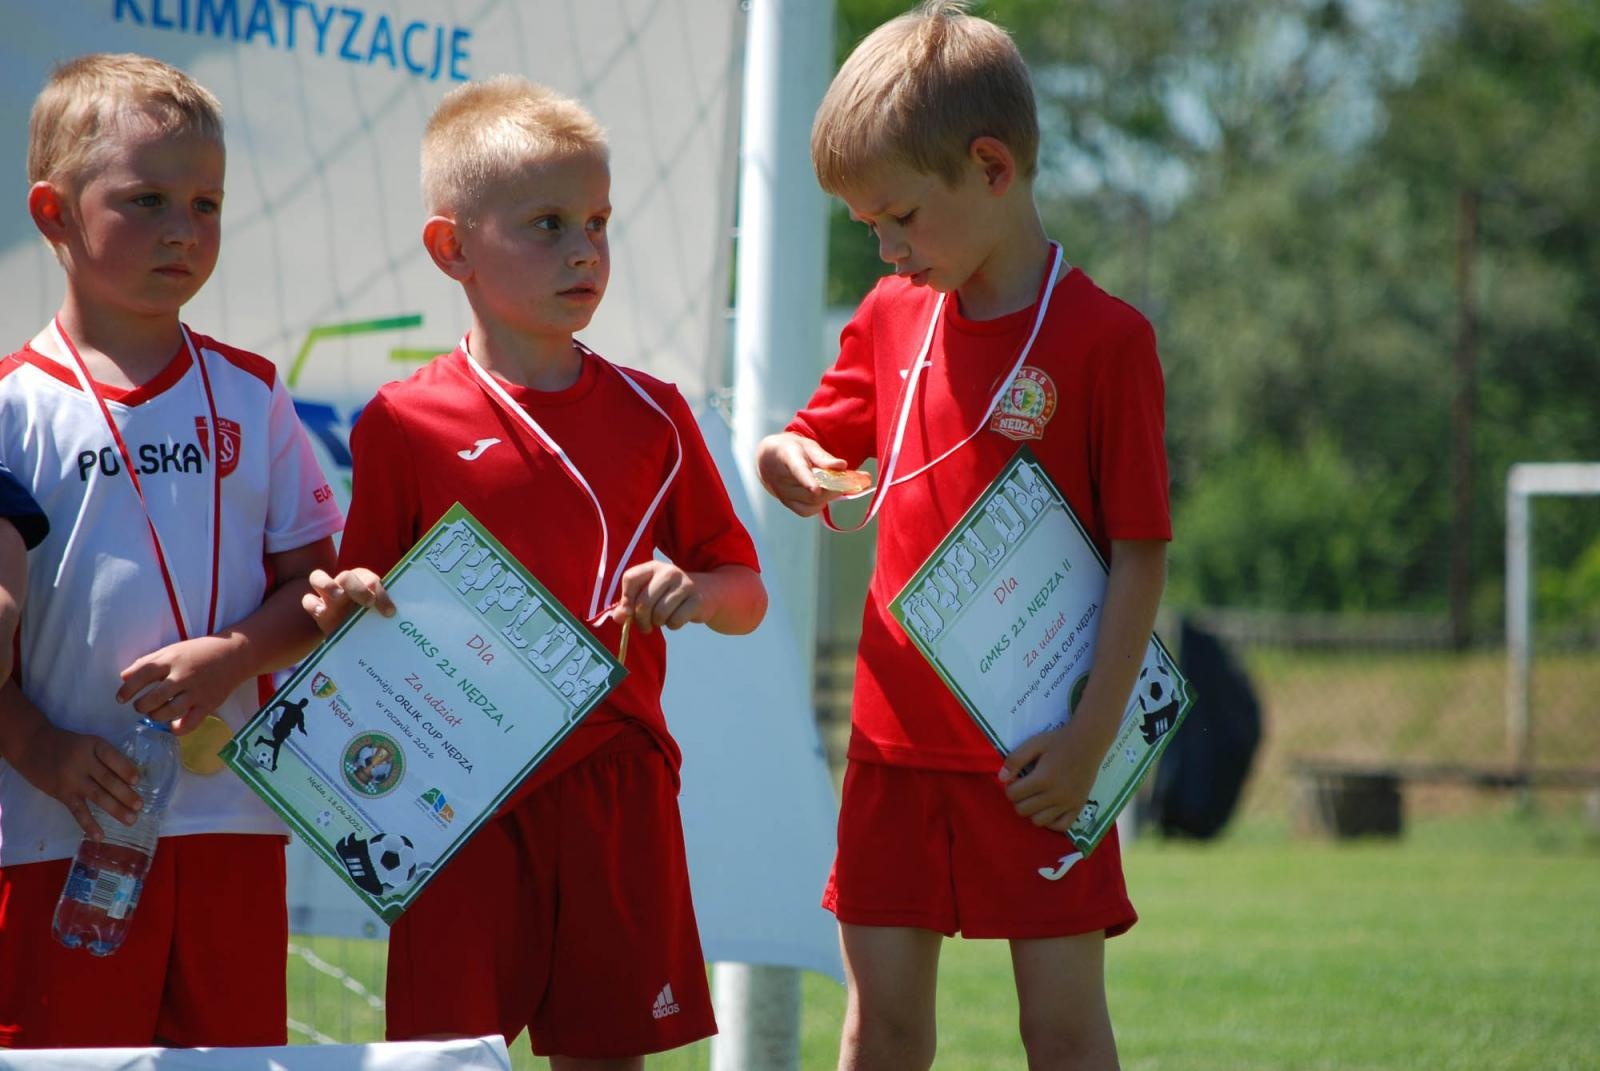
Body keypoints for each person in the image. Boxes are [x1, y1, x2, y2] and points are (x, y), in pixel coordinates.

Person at [302, 76, 767, 1069]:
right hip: (455, 795)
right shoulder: (401, 420)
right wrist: (345, 600)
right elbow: (358, 596)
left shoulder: (658, 415)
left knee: (605, 1055)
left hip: (613, 787)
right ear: (451, 247)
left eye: (598, 222)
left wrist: (696, 594)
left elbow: (744, 591)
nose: (585, 249)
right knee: (446, 1055)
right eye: (548, 224)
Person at [755, 3, 1171, 1068]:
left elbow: (1139, 550)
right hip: (888, 751)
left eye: (897, 217)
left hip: (1039, 755)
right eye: (868, 231)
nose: (887, 251)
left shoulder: (1105, 340)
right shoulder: (892, 315)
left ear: (991, 167)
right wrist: (784, 461)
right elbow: (812, 435)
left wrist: (1087, 740)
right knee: (882, 1029)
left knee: (1061, 1029)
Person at [0, 53, 344, 1048]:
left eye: (205, 202)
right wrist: (39, 747)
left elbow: (310, 589)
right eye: (145, 199)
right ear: (54, 211)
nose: (182, 230)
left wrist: (236, 654)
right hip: (49, 829)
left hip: (229, 822)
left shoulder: (252, 394)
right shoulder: (14, 409)